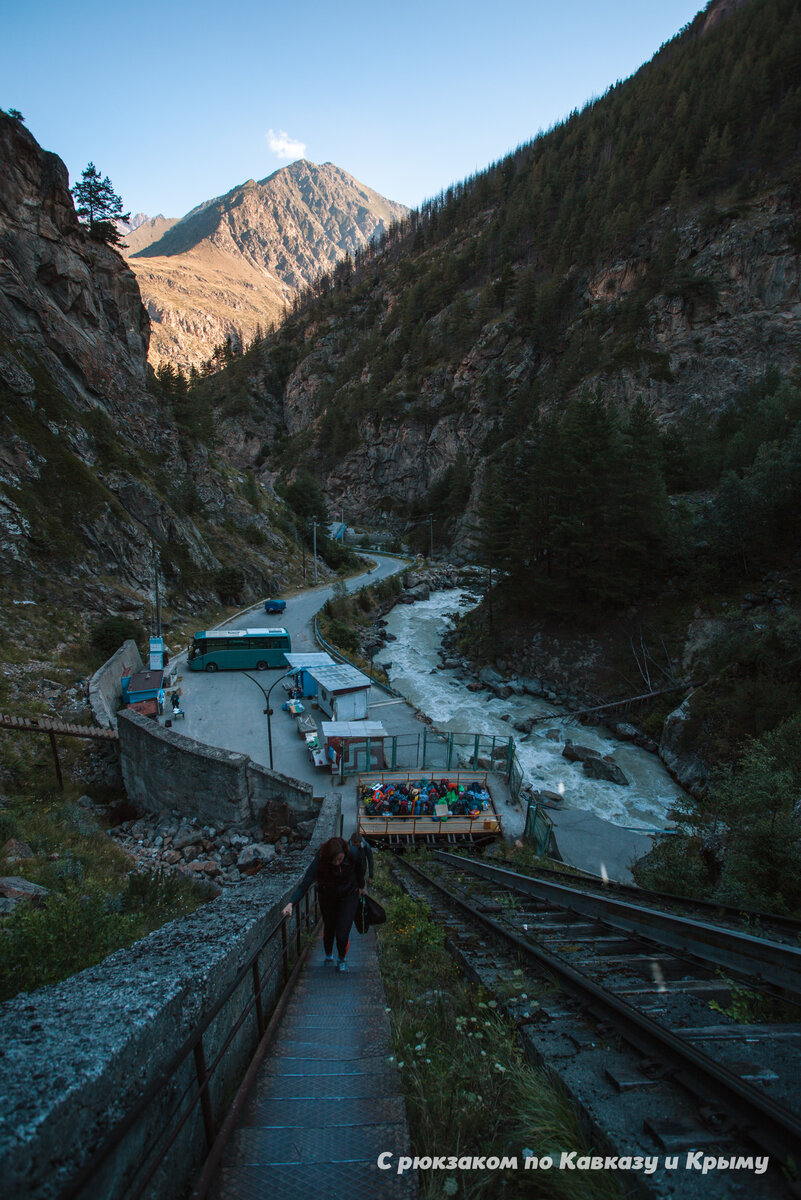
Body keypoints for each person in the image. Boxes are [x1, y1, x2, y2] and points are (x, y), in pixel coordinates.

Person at [282, 836, 365, 972]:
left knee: (343, 931)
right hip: (328, 897)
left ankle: (342, 959)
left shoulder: (352, 854)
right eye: (334, 860)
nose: (337, 863)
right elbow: (305, 884)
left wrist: (361, 886)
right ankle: (328, 954)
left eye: (340, 859)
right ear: (328, 857)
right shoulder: (320, 861)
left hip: (348, 896)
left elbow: (361, 868)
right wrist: (291, 903)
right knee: (330, 927)